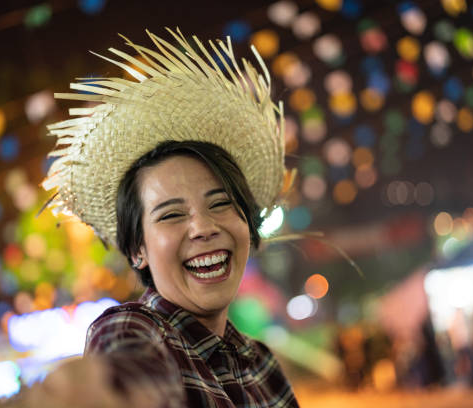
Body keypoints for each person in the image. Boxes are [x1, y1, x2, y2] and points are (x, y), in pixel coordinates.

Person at [32, 28, 299, 407]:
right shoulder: (132, 330)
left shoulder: (263, 365)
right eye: (172, 214)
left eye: (220, 203)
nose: (204, 227)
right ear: (137, 249)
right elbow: (122, 381)